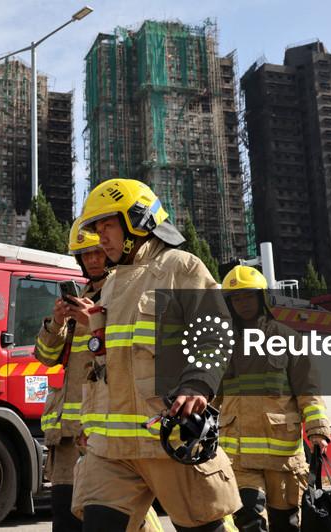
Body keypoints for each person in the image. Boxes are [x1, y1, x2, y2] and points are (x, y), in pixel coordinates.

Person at [69, 178, 241, 532]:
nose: (100, 237)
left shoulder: (181, 267)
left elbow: (216, 331)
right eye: (97, 228)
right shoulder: (113, 283)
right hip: (112, 450)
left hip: (169, 436)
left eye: (107, 226)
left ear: (137, 220)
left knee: (203, 528)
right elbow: (107, 363)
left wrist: (198, 383)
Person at [35, 220, 163, 532]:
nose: (92, 259)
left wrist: (95, 321)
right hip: (69, 433)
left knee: (120, 518)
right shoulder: (80, 298)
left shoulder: (124, 294)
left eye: (97, 252)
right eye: (85, 255)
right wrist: (56, 323)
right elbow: (46, 357)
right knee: (65, 521)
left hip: (107, 428)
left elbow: (128, 356)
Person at [219, 266, 331, 532]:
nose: (242, 303)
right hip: (238, 455)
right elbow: (210, 392)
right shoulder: (222, 343)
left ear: (262, 297)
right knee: (248, 518)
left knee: (286, 524)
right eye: (236, 298)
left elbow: (308, 388)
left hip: (281, 456)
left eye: (248, 296)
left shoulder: (286, 337)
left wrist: (317, 431)